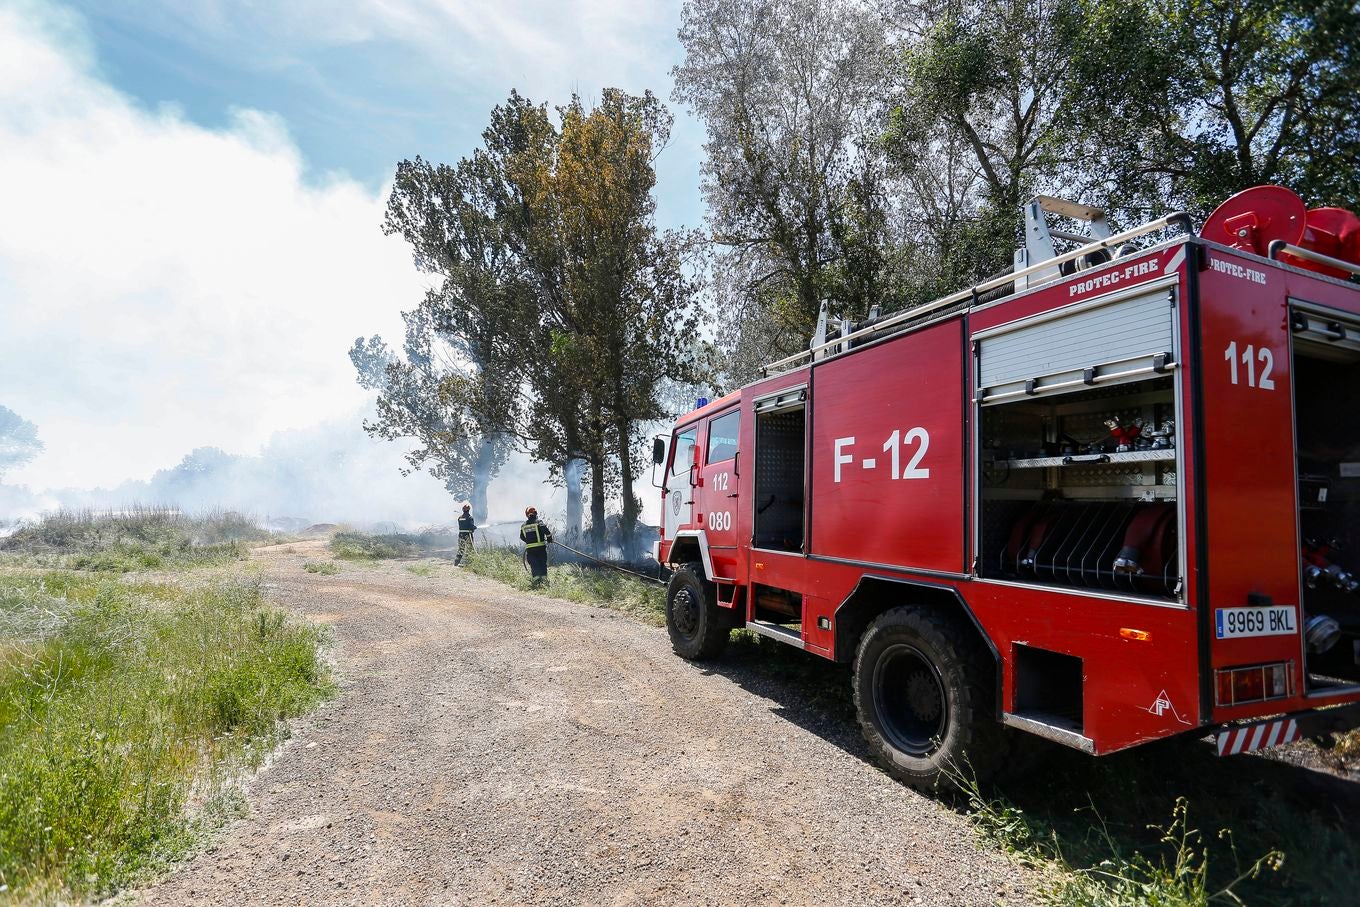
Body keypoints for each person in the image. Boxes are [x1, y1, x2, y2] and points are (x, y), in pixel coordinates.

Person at [520, 506, 553, 583]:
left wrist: (529, 541)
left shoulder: (523, 526)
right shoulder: (539, 522)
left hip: (530, 550)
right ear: (535, 513)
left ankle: (536, 582)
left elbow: (521, 537)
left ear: (527, 515)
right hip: (541, 548)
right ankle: (544, 581)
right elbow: (547, 532)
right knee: (542, 563)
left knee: (534, 564)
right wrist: (549, 539)